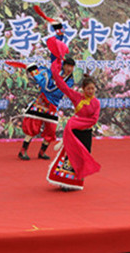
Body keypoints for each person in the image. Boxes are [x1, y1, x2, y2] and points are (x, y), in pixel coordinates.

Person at [9, 14, 75, 161]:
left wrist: (40, 77)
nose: (69, 69)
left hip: (53, 104)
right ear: (64, 65)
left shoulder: (70, 80)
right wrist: (58, 29)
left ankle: (41, 152)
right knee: (33, 127)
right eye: (68, 66)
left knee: (50, 130)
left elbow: (58, 90)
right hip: (42, 102)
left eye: (72, 67)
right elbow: (56, 50)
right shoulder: (56, 67)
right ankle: (23, 151)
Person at [44, 36, 101, 191]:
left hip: (85, 132)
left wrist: (76, 122)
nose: (90, 91)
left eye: (93, 89)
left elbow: (94, 120)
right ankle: (65, 182)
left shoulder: (96, 103)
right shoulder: (77, 97)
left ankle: (76, 182)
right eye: (88, 89)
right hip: (74, 132)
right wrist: (56, 72)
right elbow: (62, 86)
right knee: (70, 155)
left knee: (83, 155)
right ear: (83, 89)